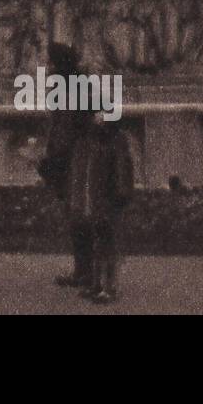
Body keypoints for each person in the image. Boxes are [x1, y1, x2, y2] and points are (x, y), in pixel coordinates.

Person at [37, 42, 93, 287]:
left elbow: (64, 130)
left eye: (51, 63)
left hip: (74, 159)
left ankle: (84, 271)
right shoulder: (77, 87)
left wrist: (51, 159)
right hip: (79, 157)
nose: (47, 67)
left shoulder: (69, 92)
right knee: (81, 214)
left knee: (78, 215)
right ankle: (85, 270)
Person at [66, 111, 134, 304]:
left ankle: (109, 288)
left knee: (108, 245)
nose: (96, 119)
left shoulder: (115, 142)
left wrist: (119, 198)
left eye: (101, 116)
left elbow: (121, 174)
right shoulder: (97, 143)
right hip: (98, 203)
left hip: (109, 203)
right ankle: (97, 285)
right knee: (98, 243)